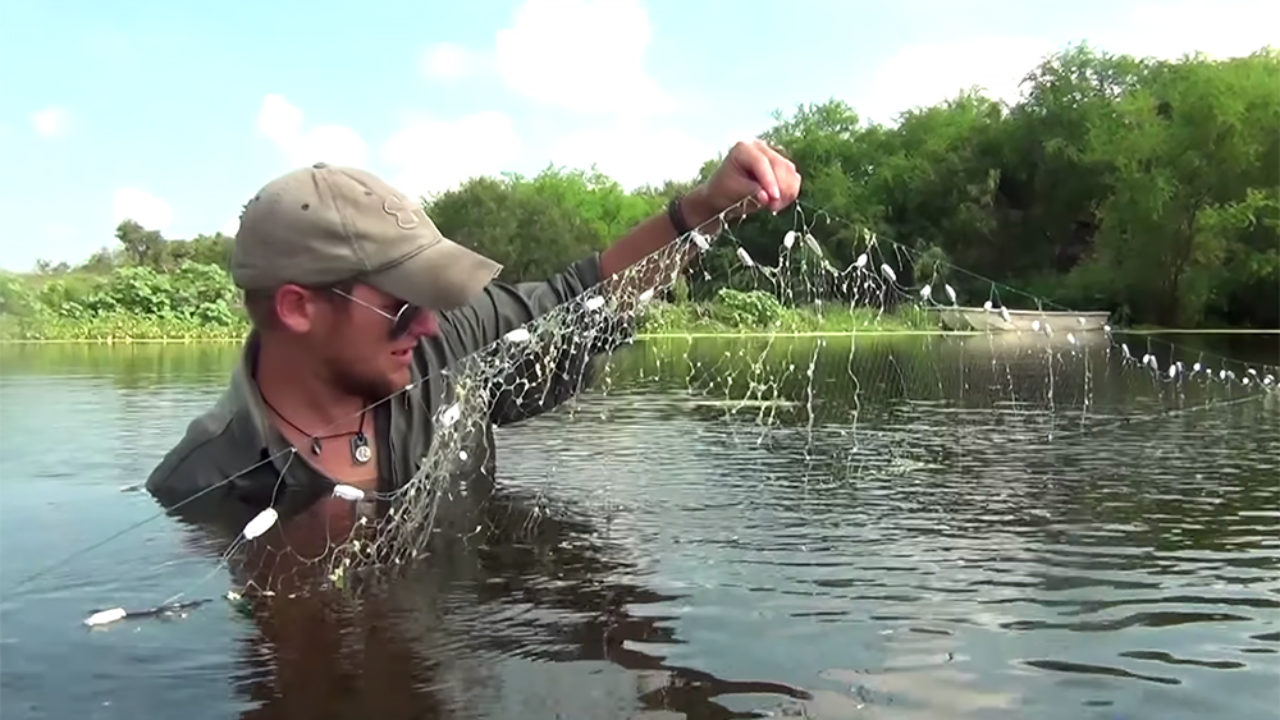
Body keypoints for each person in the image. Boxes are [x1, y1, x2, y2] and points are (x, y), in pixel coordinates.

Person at [144, 139, 801, 524]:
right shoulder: (201, 484)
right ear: (297, 308)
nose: (429, 322)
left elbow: (586, 304)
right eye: (403, 303)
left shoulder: (449, 345)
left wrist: (704, 211)